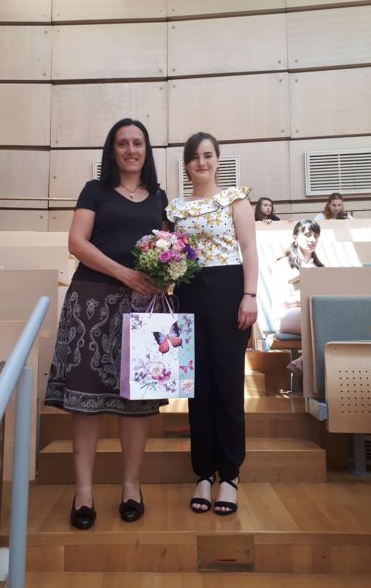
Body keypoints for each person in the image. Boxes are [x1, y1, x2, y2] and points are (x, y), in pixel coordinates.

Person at [44, 118, 169, 530]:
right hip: (92, 302)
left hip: (144, 306)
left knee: (137, 402)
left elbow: (170, 248)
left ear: (146, 149)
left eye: (138, 143)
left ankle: (131, 486)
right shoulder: (94, 190)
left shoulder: (160, 197)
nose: (131, 150)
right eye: (122, 143)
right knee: (86, 400)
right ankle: (83, 492)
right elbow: (76, 242)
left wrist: (166, 275)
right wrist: (123, 273)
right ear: (112, 150)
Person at [166, 132, 258, 517]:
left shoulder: (236, 199)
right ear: (186, 165)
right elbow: (169, 255)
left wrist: (249, 295)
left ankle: (230, 476)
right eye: (194, 157)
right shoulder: (176, 208)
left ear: (217, 159)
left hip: (228, 294)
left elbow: (249, 249)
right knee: (198, 389)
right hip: (189, 296)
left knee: (227, 386)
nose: (201, 163)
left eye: (207, 155)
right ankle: (203, 473)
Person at [271, 220, 324, 377]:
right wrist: (310, 299)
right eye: (307, 235)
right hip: (284, 316)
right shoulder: (283, 265)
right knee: (319, 317)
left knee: (325, 318)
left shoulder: (319, 268)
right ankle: (306, 364)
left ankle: (303, 362)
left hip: (311, 313)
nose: (312, 239)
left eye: (316, 236)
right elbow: (284, 301)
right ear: (295, 238)